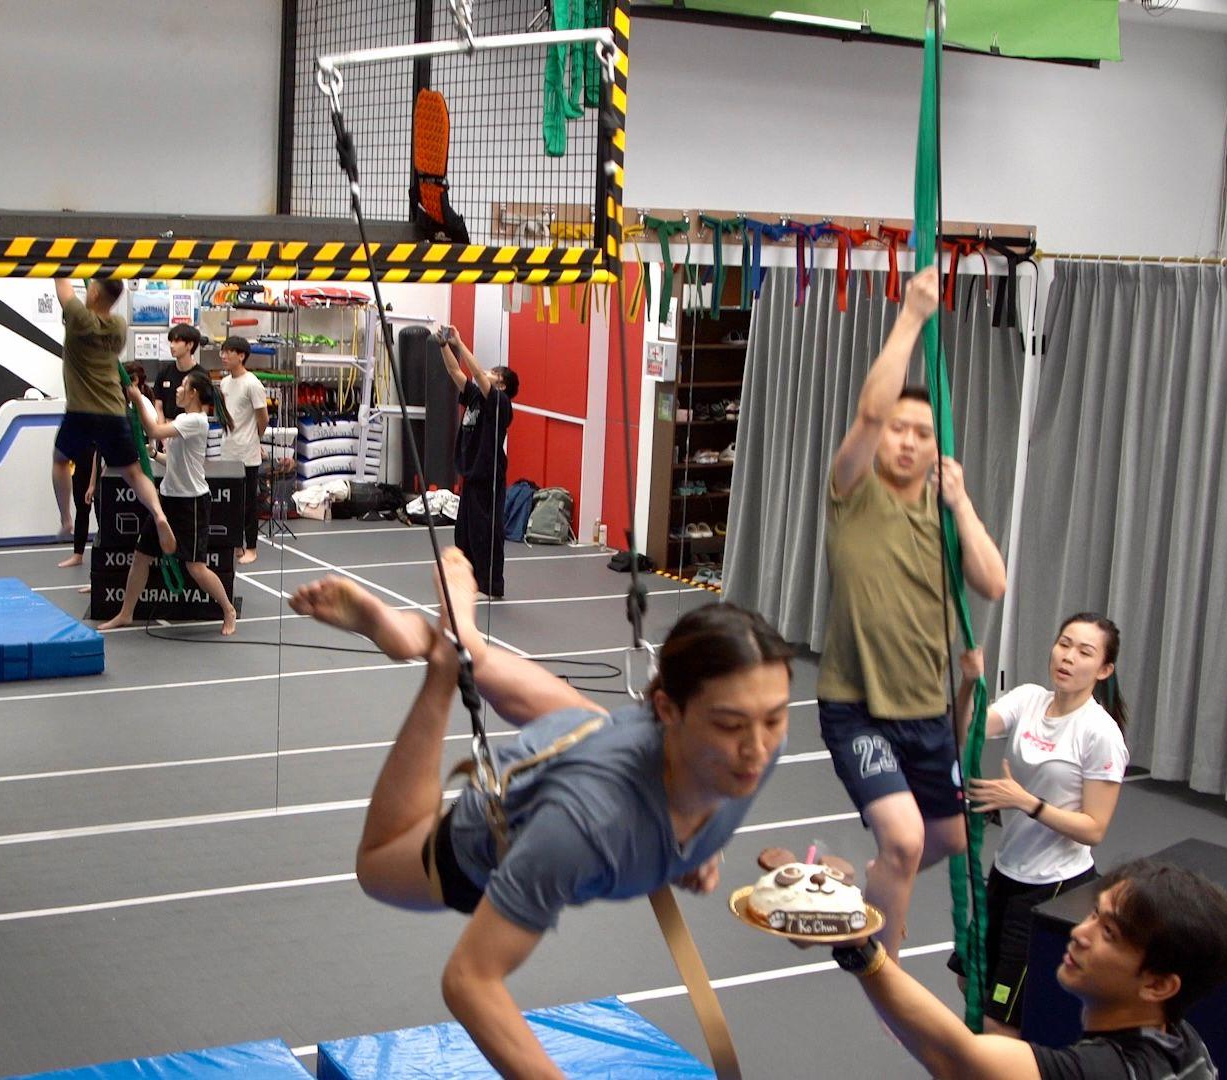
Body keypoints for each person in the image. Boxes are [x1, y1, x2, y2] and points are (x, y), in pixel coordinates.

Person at [288, 548, 791, 1076]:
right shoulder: (581, 829)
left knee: (593, 721)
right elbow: (469, 980)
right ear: (667, 710)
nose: (757, 749)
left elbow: (692, 796)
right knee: (376, 866)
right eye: (730, 725)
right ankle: (445, 662)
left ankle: (466, 644)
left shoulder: (740, 756)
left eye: (775, 719)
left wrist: (696, 847)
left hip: (592, 734)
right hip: (499, 826)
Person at [817, 267, 1008, 953]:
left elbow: (993, 583)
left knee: (948, 838)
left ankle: (871, 882)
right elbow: (869, 415)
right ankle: (881, 968)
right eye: (898, 429)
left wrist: (963, 504)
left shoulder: (946, 514)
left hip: (926, 710)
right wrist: (912, 316)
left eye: (921, 433)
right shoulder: (853, 492)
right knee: (903, 840)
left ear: (938, 448)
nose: (905, 441)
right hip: (857, 705)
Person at [826, 857, 1227, 1079]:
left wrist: (858, 945)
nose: (1080, 933)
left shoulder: (1108, 1071)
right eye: (1093, 914)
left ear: (1158, 985)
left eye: (1109, 933)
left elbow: (957, 1060)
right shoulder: (1185, 1043)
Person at [951, 615, 1130, 1036]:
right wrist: (968, 683)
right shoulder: (1028, 699)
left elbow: (1094, 828)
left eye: (1084, 652)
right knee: (969, 981)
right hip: (1007, 871)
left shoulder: (1100, 734)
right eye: (1064, 644)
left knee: (1000, 1017)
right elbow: (965, 730)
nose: (1068, 657)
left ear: (1104, 670)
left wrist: (1026, 802)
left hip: (1053, 887)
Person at [100, 369, 237, 635]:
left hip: (191, 503)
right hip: (168, 498)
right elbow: (173, 461)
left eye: (183, 385)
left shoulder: (196, 421)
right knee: (141, 556)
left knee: (196, 567)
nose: (177, 389)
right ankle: (126, 613)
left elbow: (153, 429)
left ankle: (228, 610)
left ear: (193, 393)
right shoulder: (184, 419)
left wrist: (138, 399)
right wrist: (153, 454)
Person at [51, 279, 174, 556]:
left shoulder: (79, 318)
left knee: (60, 461)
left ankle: (66, 519)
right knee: (133, 472)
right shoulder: (119, 326)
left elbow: (62, 282)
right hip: (114, 411)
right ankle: (158, 513)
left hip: (81, 411)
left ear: (94, 291)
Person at [436, 324, 516, 598]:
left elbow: (478, 373)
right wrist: (444, 346)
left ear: (501, 385)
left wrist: (459, 342)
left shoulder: (500, 403)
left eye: (495, 373)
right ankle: (468, 580)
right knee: (465, 532)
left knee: (486, 533)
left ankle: (491, 585)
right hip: (470, 476)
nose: (487, 373)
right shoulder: (474, 397)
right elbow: (454, 371)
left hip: (488, 479)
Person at [216, 336, 269, 565]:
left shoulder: (252, 384)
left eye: (229, 352)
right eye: (223, 351)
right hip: (227, 450)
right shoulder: (224, 383)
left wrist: (255, 439)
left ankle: (252, 547)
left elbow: (263, 418)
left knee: (248, 504)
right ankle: (236, 544)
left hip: (247, 454)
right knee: (231, 504)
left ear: (241, 356)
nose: (224, 356)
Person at [152, 323, 205, 429]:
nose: (172, 346)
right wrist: (162, 430)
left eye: (176, 341)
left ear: (189, 345)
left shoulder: (201, 375)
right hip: (166, 427)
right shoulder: (164, 372)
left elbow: (204, 409)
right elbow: (158, 405)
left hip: (191, 428)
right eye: (171, 341)